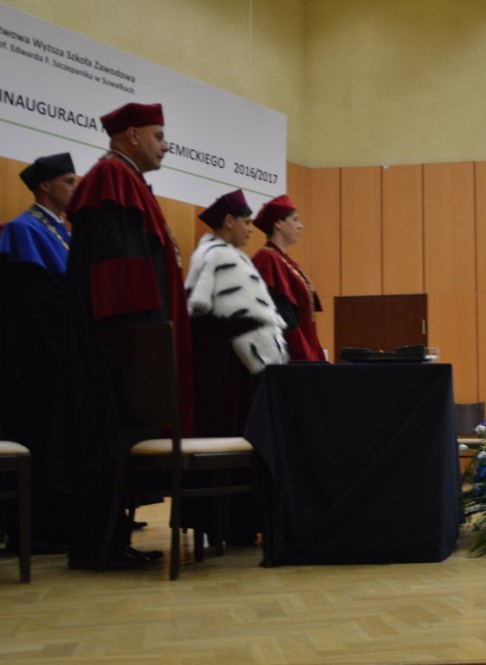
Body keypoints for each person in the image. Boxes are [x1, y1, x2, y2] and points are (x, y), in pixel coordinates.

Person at [62, 102, 190, 569]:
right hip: (120, 345)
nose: (166, 146)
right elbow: (122, 271)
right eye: (158, 136)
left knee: (119, 444)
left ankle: (112, 541)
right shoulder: (111, 178)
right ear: (132, 135)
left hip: (129, 343)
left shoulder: (126, 178)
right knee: (106, 443)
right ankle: (99, 548)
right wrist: (145, 339)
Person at [0, 153, 77, 553]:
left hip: (63, 355)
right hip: (34, 360)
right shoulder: (23, 230)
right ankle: (30, 530)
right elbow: (31, 305)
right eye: (69, 181)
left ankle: (61, 524)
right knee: (37, 438)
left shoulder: (65, 231)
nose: (75, 188)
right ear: (45, 185)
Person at [186, 189, 288, 437]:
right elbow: (246, 322)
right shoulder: (223, 257)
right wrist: (269, 360)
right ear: (229, 221)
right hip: (231, 371)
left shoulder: (206, 254)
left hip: (212, 366)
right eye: (247, 222)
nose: (251, 229)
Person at [251, 195, 326, 361]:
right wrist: (305, 355)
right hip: (290, 355)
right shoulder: (266, 259)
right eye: (295, 220)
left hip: (303, 349)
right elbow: (284, 317)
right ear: (278, 223)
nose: (300, 225)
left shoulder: (285, 260)